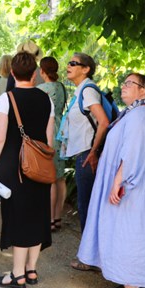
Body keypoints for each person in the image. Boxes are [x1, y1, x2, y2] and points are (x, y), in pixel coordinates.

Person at [76, 73, 145, 288]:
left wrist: (118, 181)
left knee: (130, 233)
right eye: (124, 83)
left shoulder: (140, 116)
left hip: (133, 189)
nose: (124, 87)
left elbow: (132, 154)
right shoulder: (138, 113)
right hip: (135, 186)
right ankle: (128, 282)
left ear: (143, 90)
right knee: (124, 231)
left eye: (130, 84)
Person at [0, 51, 54, 288]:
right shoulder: (47, 99)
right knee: (36, 216)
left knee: (18, 217)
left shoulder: (7, 98)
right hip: (40, 164)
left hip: (14, 166)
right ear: (34, 73)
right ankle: (31, 270)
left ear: (12, 73)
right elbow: (49, 139)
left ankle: (17, 275)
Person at [58, 52, 111, 272]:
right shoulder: (82, 90)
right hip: (84, 153)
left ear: (85, 69)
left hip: (87, 155)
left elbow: (104, 122)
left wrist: (93, 151)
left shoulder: (88, 91)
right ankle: (92, 256)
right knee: (87, 204)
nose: (68, 66)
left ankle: (90, 258)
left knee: (87, 206)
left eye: (73, 63)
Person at [37, 57, 67, 232]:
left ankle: (48, 220)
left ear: (42, 71)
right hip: (61, 132)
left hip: (49, 132)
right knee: (60, 177)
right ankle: (57, 217)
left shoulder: (42, 89)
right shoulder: (61, 87)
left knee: (51, 179)